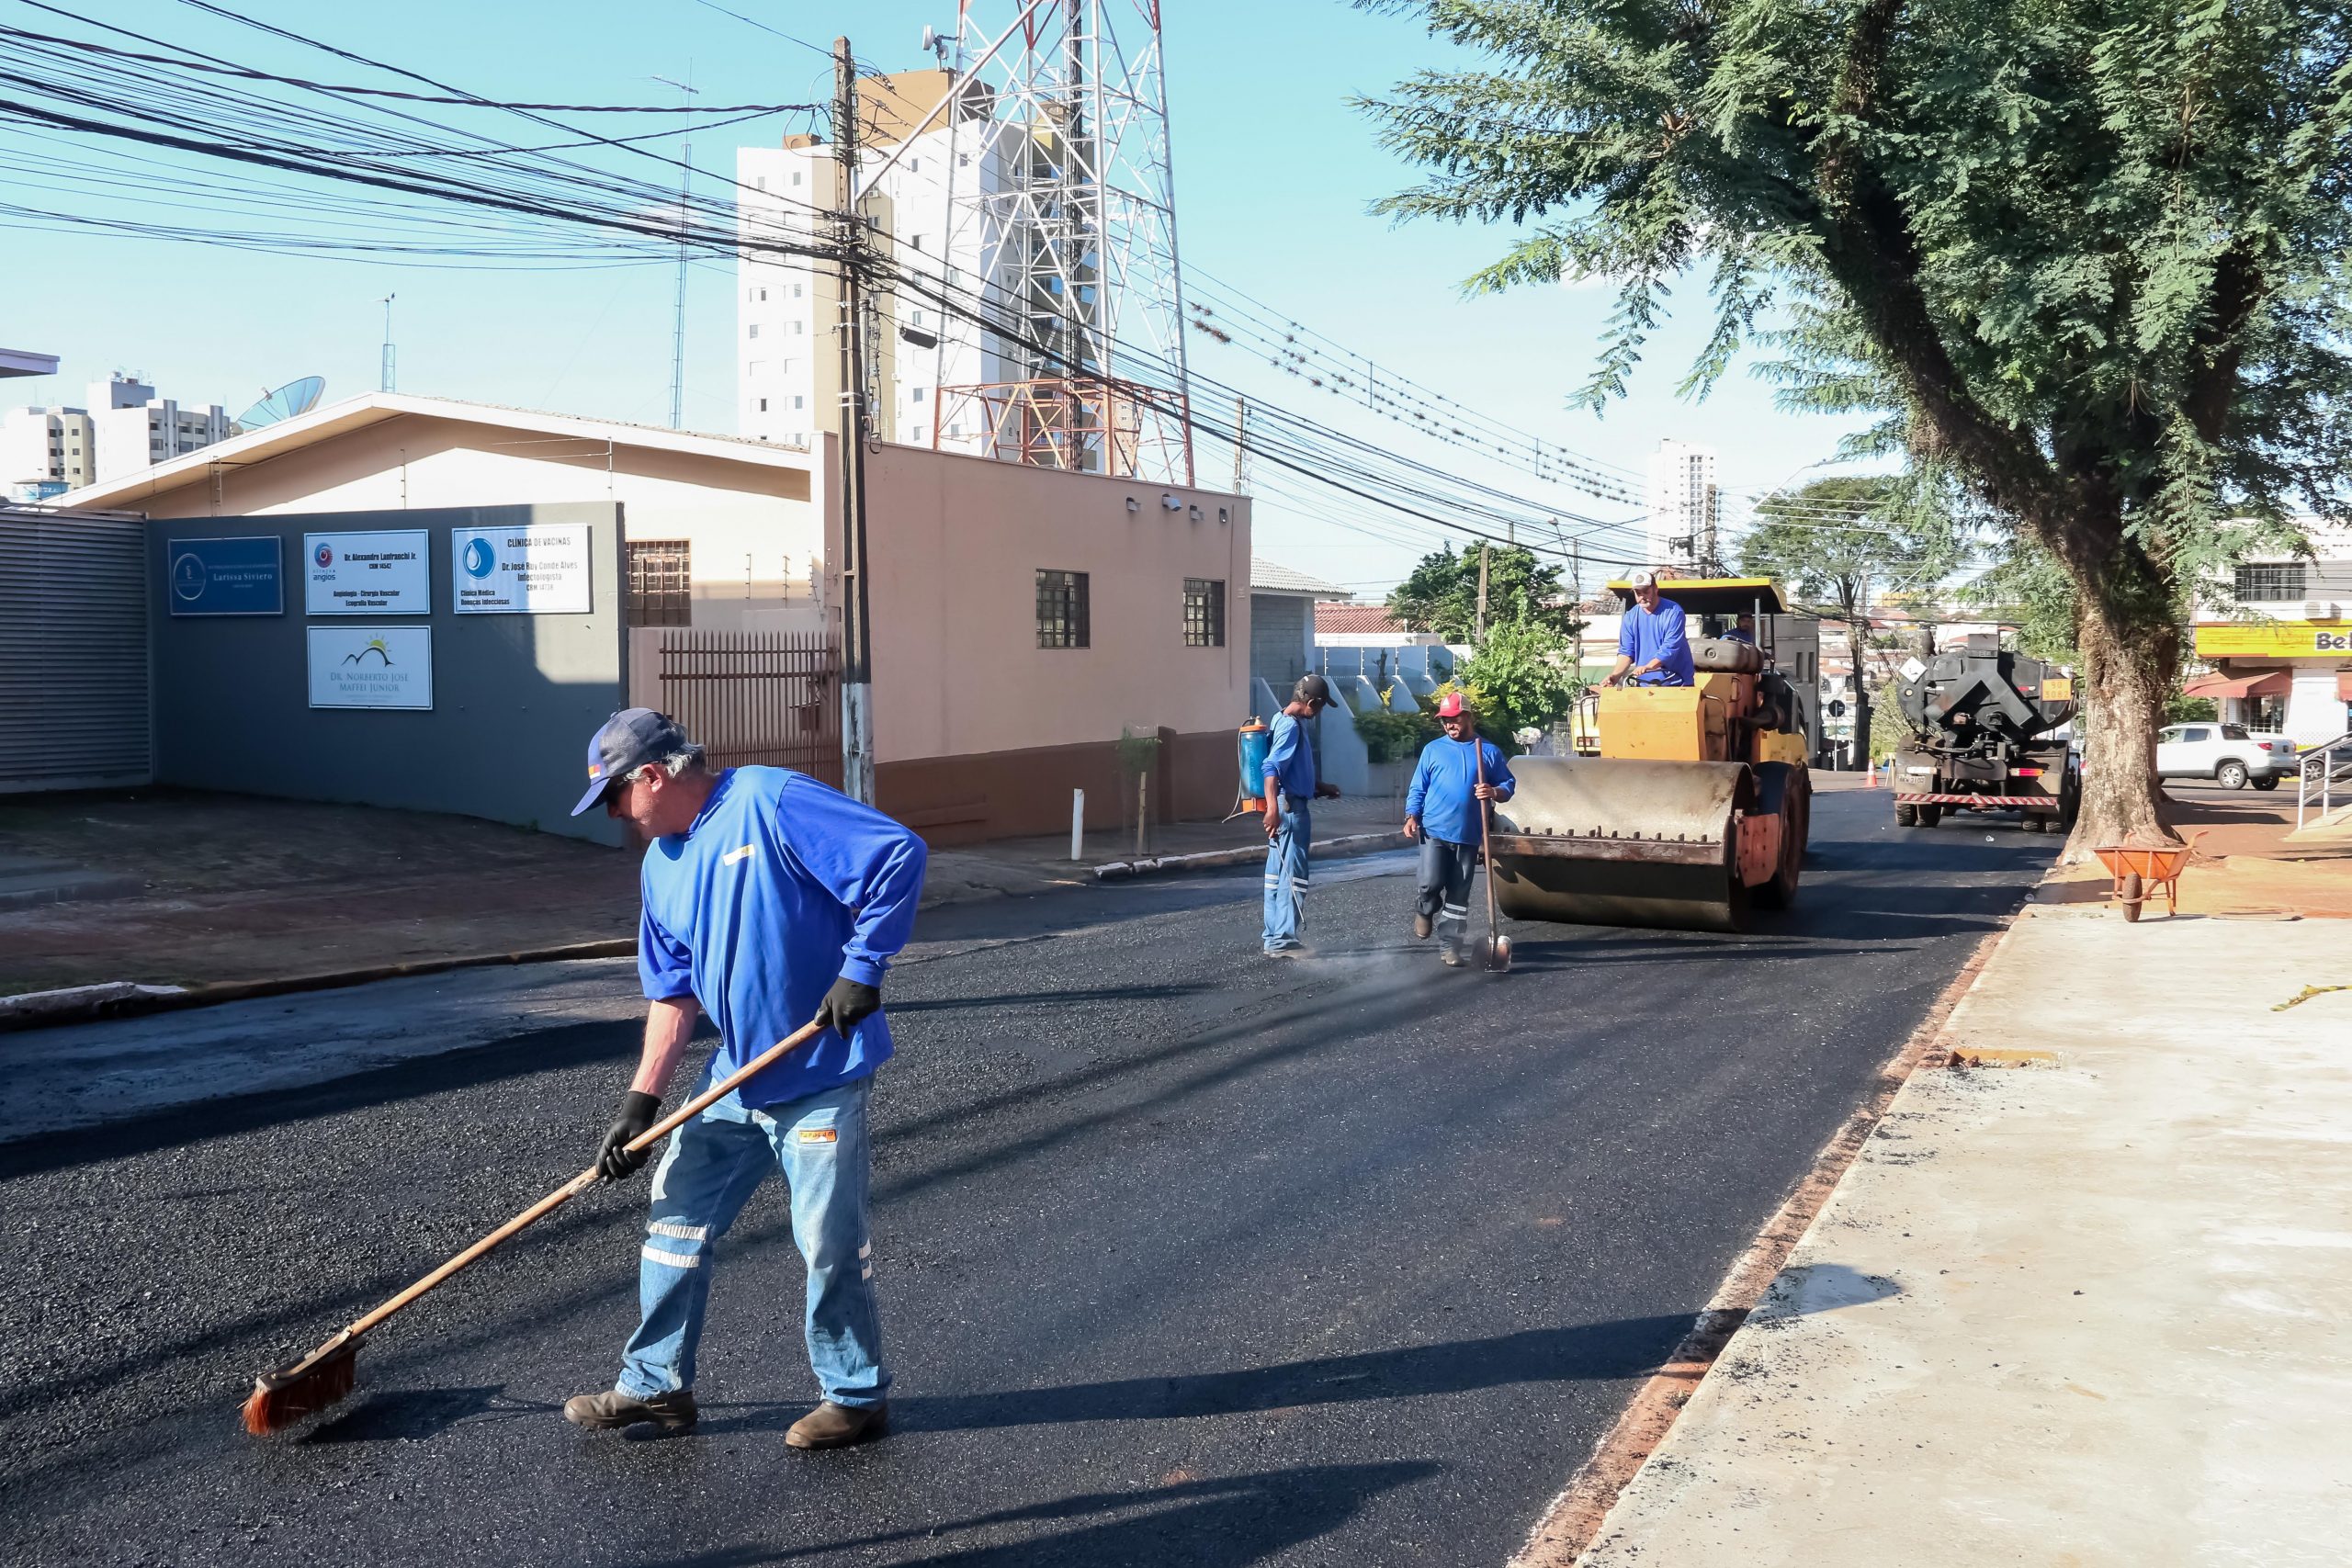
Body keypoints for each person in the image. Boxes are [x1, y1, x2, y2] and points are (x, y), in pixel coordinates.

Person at [560, 708, 926, 1450]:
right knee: (675, 1216)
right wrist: (642, 1100)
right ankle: (656, 1385)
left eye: (615, 798)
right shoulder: (659, 866)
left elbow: (897, 855)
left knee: (827, 1242)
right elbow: (672, 995)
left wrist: (863, 968)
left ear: (652, 777)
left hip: (820, 1068)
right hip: (736, 1078)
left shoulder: (769, 799)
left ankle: (855, 1395)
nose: (617, 816)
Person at [1402, 693, 1515, 966]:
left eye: (1454, 719)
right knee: (1430, 882)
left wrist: (1493, 791)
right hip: (1434, 830)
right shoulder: (1433, 750)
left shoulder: (1488, 751)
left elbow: (1508, 784)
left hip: (1468, 834)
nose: (1449, 725)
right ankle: (1425, 909)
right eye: (1445, 721)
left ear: (1468, 717)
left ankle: (1449, 947)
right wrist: (1411, 814)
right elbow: (1419, 786)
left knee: (1458, 895)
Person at [1261, 673, 1342, 956]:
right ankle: (1283, 938)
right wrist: (1272, 810)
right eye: (1319, 707)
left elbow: (1294, 768)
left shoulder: (1283, 719)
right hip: (1290, 810)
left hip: (1288, 804)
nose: (1318, 713)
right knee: (1292, 874)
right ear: (1311, 702)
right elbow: (1271, 768)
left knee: (1276, 874)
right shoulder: (1292, 728)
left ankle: (1273, 936)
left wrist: (1320, 787)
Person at [1607, 569, 1695, 687]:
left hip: (1677, 684)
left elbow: (1670, 648)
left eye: (1645, 591)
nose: (1642, 596)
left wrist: (1649, 666)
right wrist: (1614, 676)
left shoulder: (1674, 611)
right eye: (1638, 593)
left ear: (1655, 589)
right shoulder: (1630, 617)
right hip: (1644, 684)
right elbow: (1626, 652)